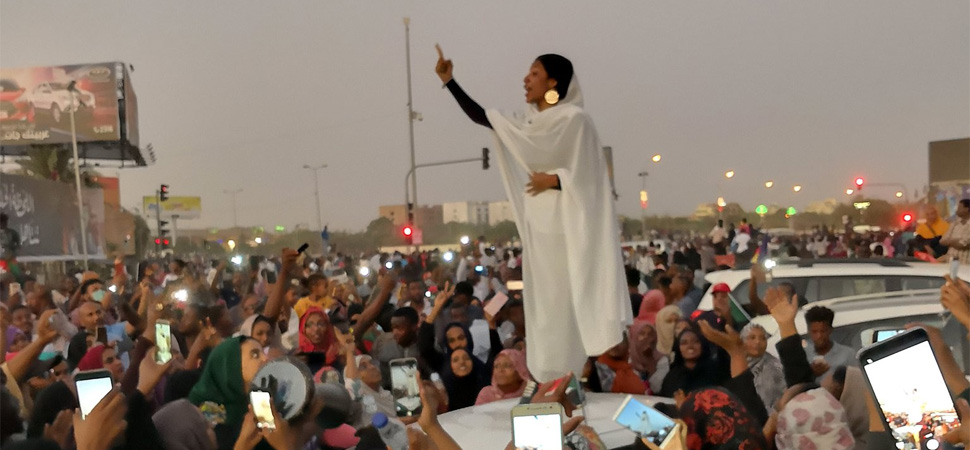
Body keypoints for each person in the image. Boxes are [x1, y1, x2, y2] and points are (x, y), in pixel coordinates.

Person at [437, 47, 630, 381]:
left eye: (535, 73)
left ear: (554, 81)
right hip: (539, 231)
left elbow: (594, 178)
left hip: (568, 231)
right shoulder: (528, 124)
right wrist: (450, 82)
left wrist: (556, 180)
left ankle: (574, 376)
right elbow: (486, 117)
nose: (526, 79)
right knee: (545, 309)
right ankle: (550, 377)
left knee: (566, 304)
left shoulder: (575, 120)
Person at [188, 336, 267, 450]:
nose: (265, 358)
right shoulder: (202, 409)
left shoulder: (259, 400)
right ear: (230, 364)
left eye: (263, 352)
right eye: (255, 355)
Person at [658, 327, 727, 398]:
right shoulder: (672, 376)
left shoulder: (716, 371)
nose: (690, 346)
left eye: (695, 341)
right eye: (684, 343)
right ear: (678, 348)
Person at [740, 322, 785, 416]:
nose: (758, 342)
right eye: (752, 337)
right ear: (742, 341)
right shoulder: (736, 364)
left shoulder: (775, 366)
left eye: (763, 338)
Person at [803, 306, 855, 382]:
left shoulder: (848, 354)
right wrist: (811, 374)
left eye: (823, 331)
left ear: (830, 330)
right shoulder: (802, 356)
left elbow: (856, 383)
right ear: (808, 331)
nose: (819, 336)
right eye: (814, 332)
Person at [440, 347, 488, 411]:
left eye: (466, 358)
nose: (462, 362)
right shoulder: (443, 396)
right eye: (456, 360)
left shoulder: (486, 390)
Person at [628, 322, 668, 394]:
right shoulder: (627, 358)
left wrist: (650, 362)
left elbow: (656, 388)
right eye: (642, 334)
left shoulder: (661, 359)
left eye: (650, 334)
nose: (646, 337)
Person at [941, 199, 970, 265]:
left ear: (967, 209)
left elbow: (962, 245)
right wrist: (956, 240)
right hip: (949, 262)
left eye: (959, 207)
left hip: (966, 263)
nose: (957, 210)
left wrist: (950, 241)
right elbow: (942, 241)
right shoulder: (955, 224)